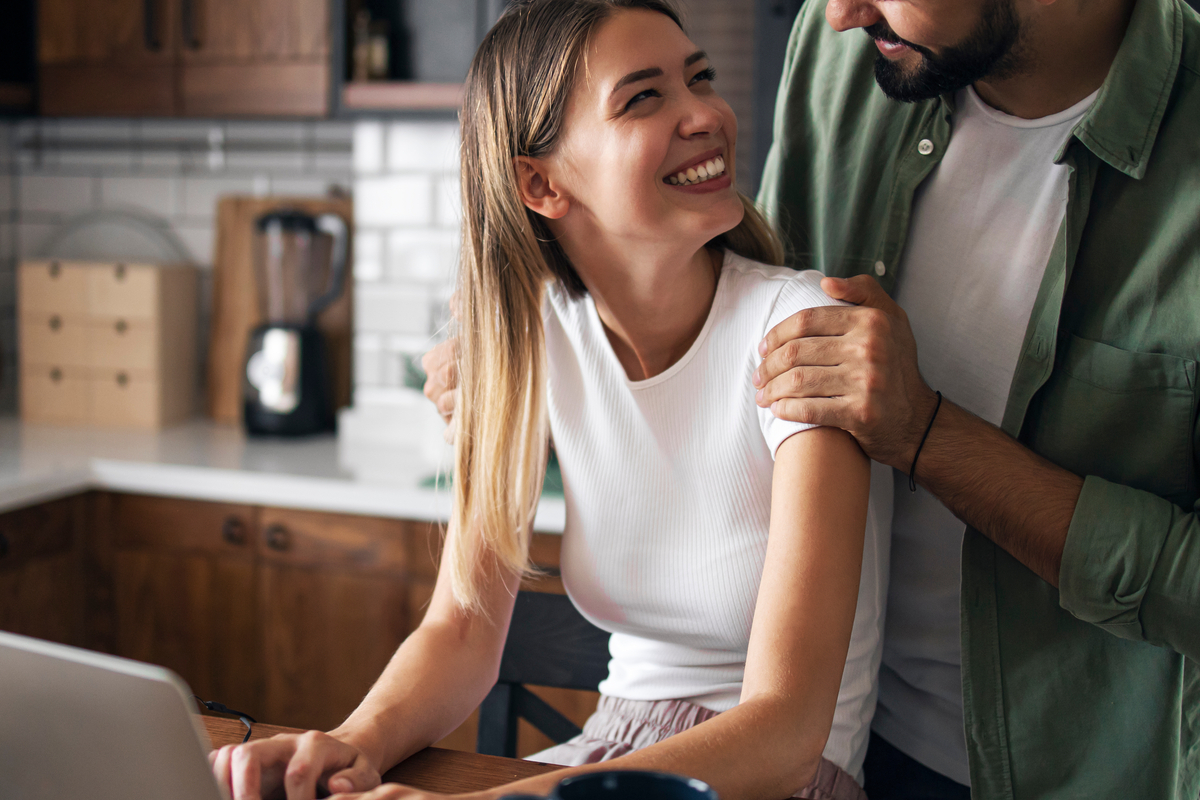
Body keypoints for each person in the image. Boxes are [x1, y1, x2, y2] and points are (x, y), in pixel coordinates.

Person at [210, 2, 893, 799]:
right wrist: (351, 745)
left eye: (697, 78)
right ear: (541, 182)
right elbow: (461, 630)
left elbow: (786, 732)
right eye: (645, 97)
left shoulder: (804, 336)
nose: (705, 113)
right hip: (610, 749)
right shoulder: (526, 339)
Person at [748, 0, 1200, 798]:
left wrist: (927, 435)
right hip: (828, 753)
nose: (840, 17)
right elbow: (748, 329)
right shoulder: (840, 64)